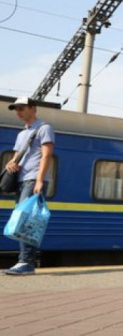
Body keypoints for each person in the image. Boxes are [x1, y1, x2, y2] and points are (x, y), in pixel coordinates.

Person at [3, 96, 55, 276]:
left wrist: (40, 180)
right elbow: (16, 157)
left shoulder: (44, 128)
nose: (18, 112)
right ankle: (24, 261)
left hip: (33, 179)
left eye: (22, 108)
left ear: (33, 108)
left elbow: (47, 155)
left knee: (26, 220)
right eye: (16, 109)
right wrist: (10, 164)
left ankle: (26, 262)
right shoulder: (21, 134)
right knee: (22, 219)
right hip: (21, 179)